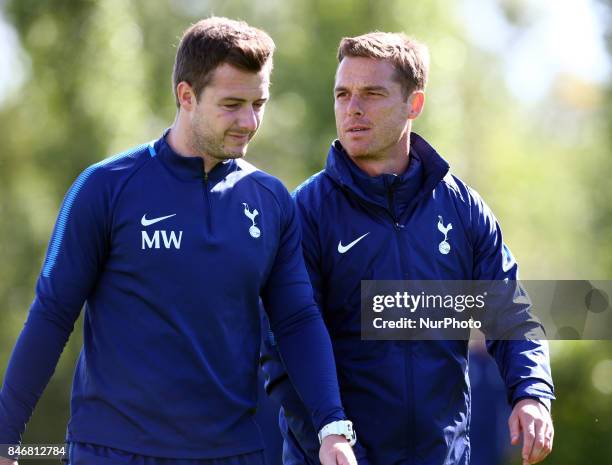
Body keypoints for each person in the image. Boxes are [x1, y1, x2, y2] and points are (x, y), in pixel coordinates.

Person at [0, 17, 358, 465]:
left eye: (258, 103)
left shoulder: (272, 202)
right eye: (231, 104)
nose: (249, 121)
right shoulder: (106, 187)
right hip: (113, 452)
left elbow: (297, 321)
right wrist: (6, 437)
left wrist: (332, 426)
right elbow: (52, 315)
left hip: (232, 453)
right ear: (186, 95)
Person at [262, 32, 555, 465]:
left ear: (413, 104)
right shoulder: (304, 212)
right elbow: (286, 345)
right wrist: (330, 432)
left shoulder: (462, 208)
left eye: (372, 94)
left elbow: (509, 311)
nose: (352, 108)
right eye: (342, 94)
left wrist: (531, 392)